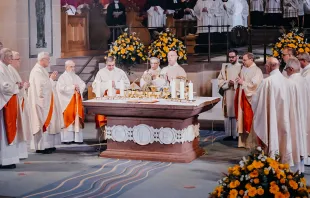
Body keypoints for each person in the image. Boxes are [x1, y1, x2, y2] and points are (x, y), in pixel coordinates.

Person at [252, 57, 297, 166]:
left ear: (270, 67)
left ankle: (271, 163)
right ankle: (284, 164)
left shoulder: (267, 82)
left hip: (271, 119)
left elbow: (256, 101)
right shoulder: (288, 82)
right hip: (285, 119)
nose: (266, 68)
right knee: (284, 139)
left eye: (266, 66)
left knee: (272, 137)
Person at [28, 52, 63, 154]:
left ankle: (49, 145)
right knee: (43, 123)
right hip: (41, 103)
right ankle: (42, 147)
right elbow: (41, 88)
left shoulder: (41, 70)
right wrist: (51, 80)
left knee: (50, 123)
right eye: (48, 59)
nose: (49, 61)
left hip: (46, 101)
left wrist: (50, 79)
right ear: (42, 60)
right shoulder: (37, 71)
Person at [92, 56, 130, 140]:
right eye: (109, 65)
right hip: (105, 99)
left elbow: (127, 85)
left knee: (117, 119)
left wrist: (116, 84)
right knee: (103, 118)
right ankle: (103, 139)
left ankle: (118, 137)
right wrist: (107, 85)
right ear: (106, 64)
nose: (111, 67)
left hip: (117, 99)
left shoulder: (120, 72)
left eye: (113, 65)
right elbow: (95, 85)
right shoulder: (100, 72)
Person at [234, 52, 263, 148]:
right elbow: (240, 80)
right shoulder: (243, 68)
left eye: (245, 60)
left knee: (249, 118)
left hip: (249, 98)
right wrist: (238, 81)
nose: (243, 61)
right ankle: (242, 142)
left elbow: (255, 85)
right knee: (242, 118)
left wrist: (243, 83)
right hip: (242, 97)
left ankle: (252, 143)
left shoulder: (257, 71)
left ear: (251, 59)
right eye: (243, 60)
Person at [284, 57, 308, 172]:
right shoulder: (304, 80)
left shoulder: (290, 83)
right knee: (301, 142)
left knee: (293, 142)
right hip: (303, 116)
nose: (286, 72)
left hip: (292, 117)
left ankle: (293, 171)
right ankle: (301, 170)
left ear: (291, 69)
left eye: (286, 69)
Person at [8, 51, 31, 159]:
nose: (20, 61)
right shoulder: (8, 70)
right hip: (12, 104)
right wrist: (22, 87)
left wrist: (22, 86)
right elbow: (10, 88)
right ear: (11, 60)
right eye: (18, 59)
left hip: (18, 102)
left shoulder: (12, 70)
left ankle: (20, 153)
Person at [56, 60, 86, 144]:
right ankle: (67, 139)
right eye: (71, 67)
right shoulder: (62, 77)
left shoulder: (76, 76)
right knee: (68, 119)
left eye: (74, 66)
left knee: (76, 120)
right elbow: (61, 89)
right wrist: (73, 87)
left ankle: (77, 139)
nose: (73, 68)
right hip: (67, 103)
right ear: (66, 67)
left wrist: (79, 88)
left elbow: (82, 84)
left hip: (75, 102)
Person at [0, 48, 20, 169]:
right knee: (4, 132)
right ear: (4, 57)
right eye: (10, 57)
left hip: (9, 102)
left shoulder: (6, 68)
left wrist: (16, 85)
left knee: (9, 130)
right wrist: (16, 86)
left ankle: (8, 159)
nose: (11, 60)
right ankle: (4, 160)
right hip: (4, 104)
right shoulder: (1, 68)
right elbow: (4, 87)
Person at [218, 49, 242, 141]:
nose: (231, 59)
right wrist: (228, 84)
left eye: (233, 57)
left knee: (236, 112)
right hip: (227, 92)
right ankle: (229, 134)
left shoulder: (241, 67)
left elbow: (244, 80)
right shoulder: (225, 67)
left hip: (237, 93)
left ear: (237, 57)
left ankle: (237, 134)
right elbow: (220, 80)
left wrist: (235, 84)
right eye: (229, 57)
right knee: (228, 113)